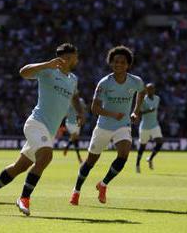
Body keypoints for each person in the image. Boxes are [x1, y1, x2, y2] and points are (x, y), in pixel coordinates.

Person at [0, 43, 85, 216]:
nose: (77, 59)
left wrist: (79, 111)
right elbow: (23, 72)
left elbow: (75, 96)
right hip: (36, 123)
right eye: (75, 56)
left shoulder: (73, 79)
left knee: (19, 167)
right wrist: (46, 64)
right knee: (46, 156)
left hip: (48, 131)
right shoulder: (49, 71)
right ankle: (24, 198)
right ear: (66, 58)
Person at [69, 45, 146, 205]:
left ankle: (103, 184)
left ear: (128, 64)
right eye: (115, 61)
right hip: (103, 126)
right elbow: (94, 108)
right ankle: (76, 191)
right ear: (111, 63)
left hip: (123, 125)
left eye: (122, 62)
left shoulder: (136, 81)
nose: (118, 64)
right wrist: (112, 114)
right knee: (90, 162)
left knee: (124, 154)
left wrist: (135, 111)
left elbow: (142, 93)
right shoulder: (104, 83)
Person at [136, 83, 163, 173]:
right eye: (149, 89)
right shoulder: (143, 100)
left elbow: (154, 110)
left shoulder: (157, 98)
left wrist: (149, 110)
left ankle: (150, 158)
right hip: (145, 126)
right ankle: (137, 164)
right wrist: (148, 111)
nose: (151, 90)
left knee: (160, 142)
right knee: (142, 146)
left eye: (152, 88)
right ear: (146, 90)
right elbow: (138, 113)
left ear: (154, 89)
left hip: (154, 125)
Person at [63, 96, 87, 163]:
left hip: (77, 123)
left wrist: (82, 119)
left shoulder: (81, 100)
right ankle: (78, 157)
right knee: (75, 137)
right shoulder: (68, 100)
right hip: (69, 122)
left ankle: (67, 147)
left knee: (75, 139)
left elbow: (83, 110)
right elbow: (65, 113)